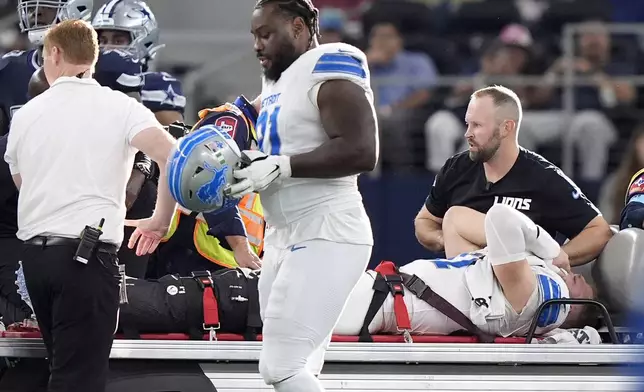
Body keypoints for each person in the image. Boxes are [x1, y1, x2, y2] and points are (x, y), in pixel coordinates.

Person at [147, 0, 374, 390]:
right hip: (283, 235)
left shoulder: (330, 63)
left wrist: (282, 165)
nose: (257, 44)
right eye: (254, 35)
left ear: (300, 28)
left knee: (280, 366)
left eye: (266, 34)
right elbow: (251, 124)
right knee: (298, 365)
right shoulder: (277, 83)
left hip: (327, 228)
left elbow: (362, 151)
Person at [3, 20, 176, 392]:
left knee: (62, 370)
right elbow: (172, 155)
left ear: (56, 54)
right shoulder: (119, 107)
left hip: (35, 260)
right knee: (78, 379)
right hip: (86, 258)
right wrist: (161, 219)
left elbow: (23, 184)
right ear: (92, 59)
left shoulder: (26, 116)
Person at [414, 85, 612, 270]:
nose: (467, 134)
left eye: (477, 125)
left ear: (506, 128)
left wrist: (550, 261)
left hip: (523, 284)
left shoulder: (542, 176)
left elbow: (598, 231)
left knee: (455, 217)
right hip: (469, 289)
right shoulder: (455, 168)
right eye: (467, 124)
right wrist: (447, 237)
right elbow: (424, 221)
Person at [336, 204, 598, 338]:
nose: (577, 274)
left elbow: (502, 217)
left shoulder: (537, 300)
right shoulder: (503, 278)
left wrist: (552, 251)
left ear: (573, 307)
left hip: (375, 304)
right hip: (376, 289)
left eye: (581, 283)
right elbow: (454, 219)